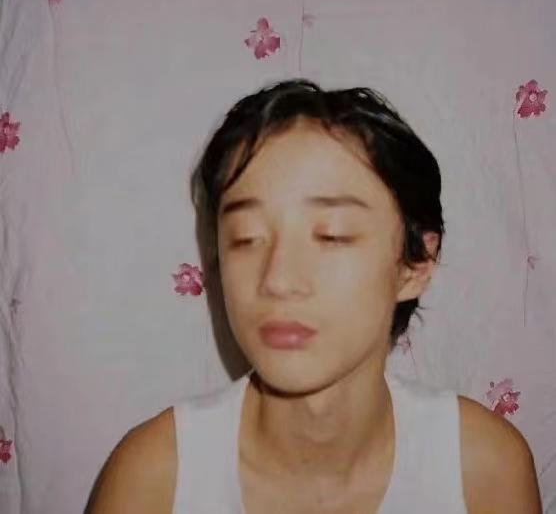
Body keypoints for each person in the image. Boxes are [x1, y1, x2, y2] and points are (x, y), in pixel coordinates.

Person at [85, 79, 542, 513]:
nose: (278, 279)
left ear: (415, 263)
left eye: (332, 235)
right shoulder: (155, 479)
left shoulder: (483, 470)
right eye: (246, 238)